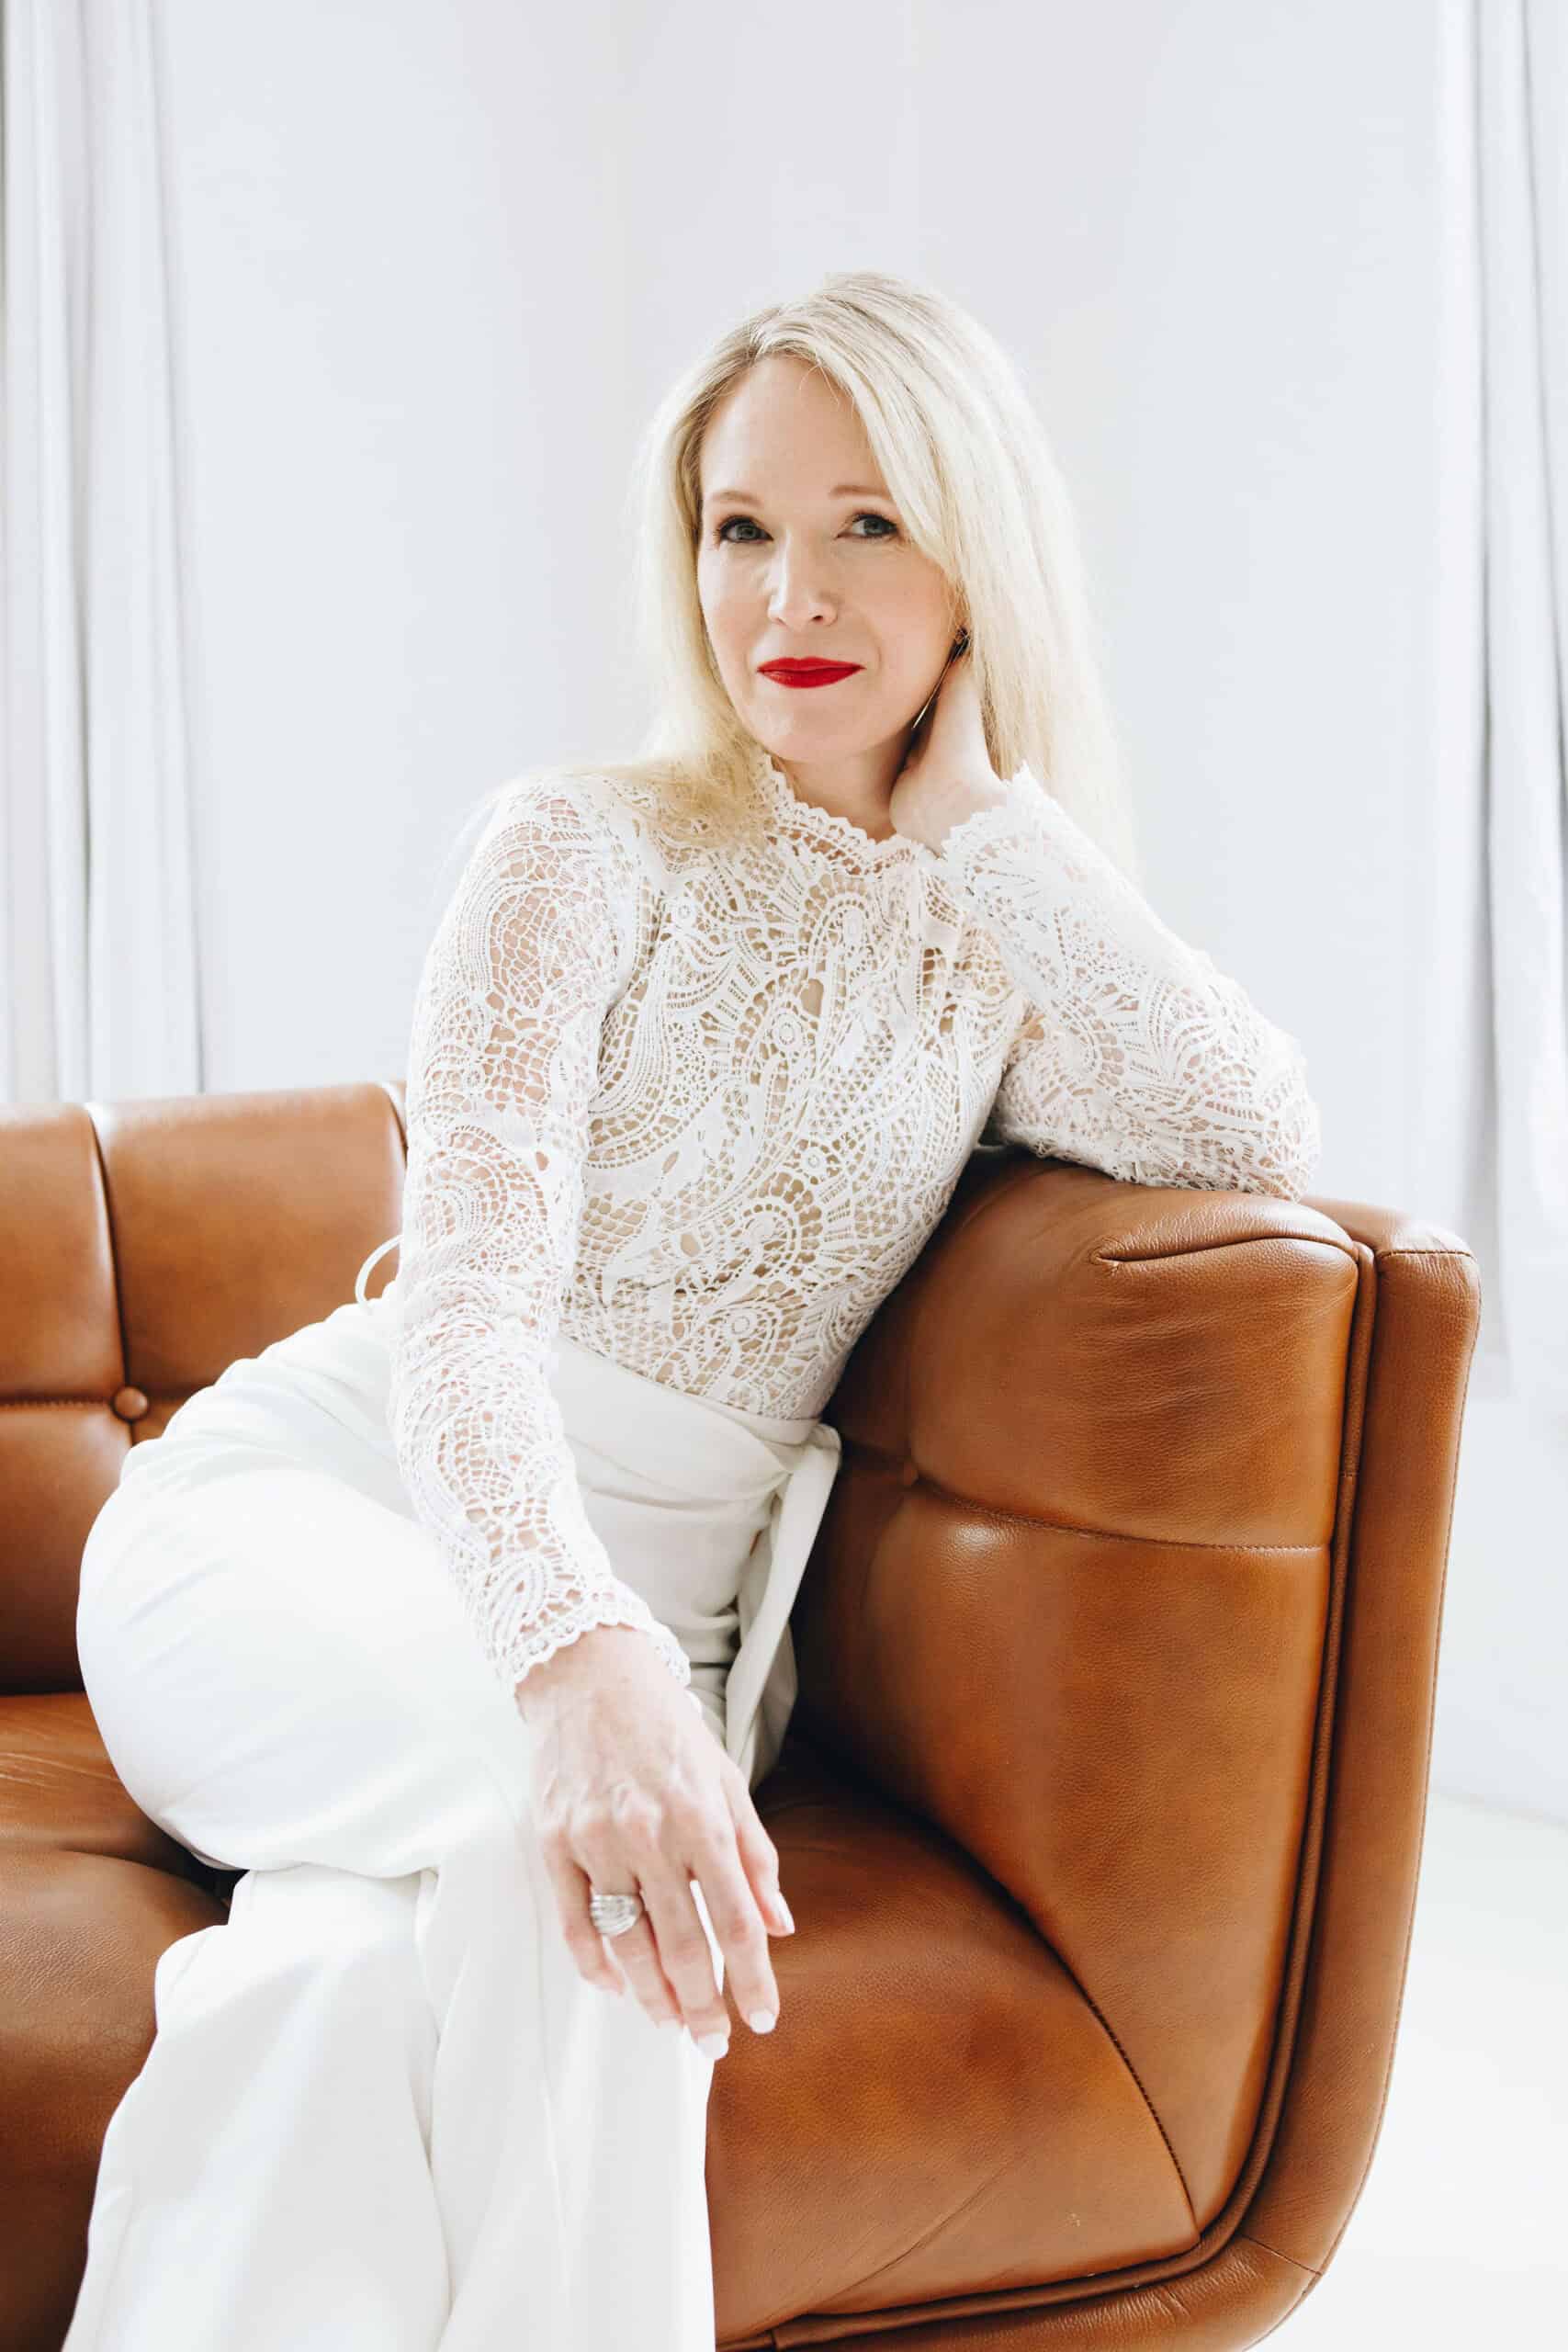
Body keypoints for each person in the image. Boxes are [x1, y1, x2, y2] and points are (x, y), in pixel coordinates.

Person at [63, 267, 1322, 2351]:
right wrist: (579, 1667)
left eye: (864, 522)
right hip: (305, 1528)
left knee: (331, 1992)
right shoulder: (578, 848)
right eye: (739, 525)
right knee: (598, 1877)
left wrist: (976, 821)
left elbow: (1243, 1119)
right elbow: (462, 1318)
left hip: (655, 1643)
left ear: (971, 557)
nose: (784, 591)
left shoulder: (984, 938)